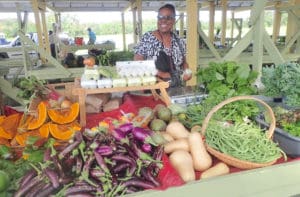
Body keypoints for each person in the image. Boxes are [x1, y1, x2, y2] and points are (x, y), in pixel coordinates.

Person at [133, 3, 192, 88]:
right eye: (160, 17)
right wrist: (160, 74)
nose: (163, 20)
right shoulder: (148, 38)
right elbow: (138, 61)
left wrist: (187, 71)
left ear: (173, 20)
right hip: (153, 89)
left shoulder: (179, 41)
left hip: (176, 88)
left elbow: (184, 62)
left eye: (168, 18)